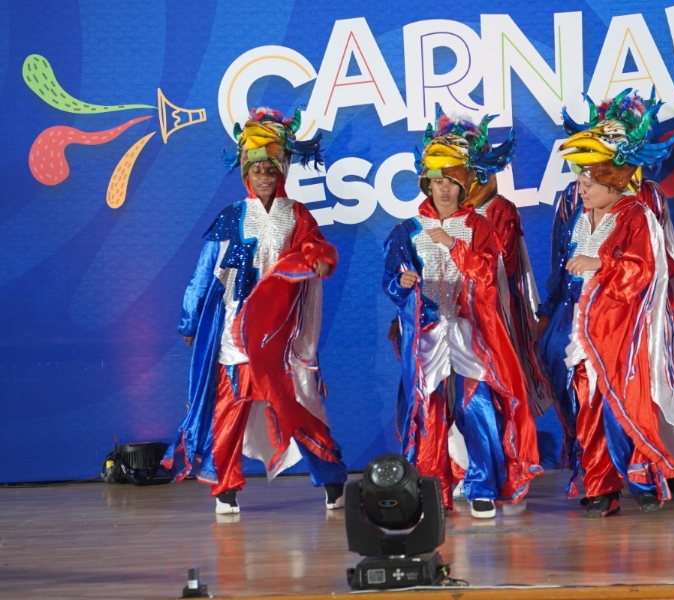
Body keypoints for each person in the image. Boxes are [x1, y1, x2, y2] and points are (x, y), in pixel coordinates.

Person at [539, 91, 674, 498]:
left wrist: (672, 312)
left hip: (636, 312)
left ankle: (659, 467)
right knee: (584, 393)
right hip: (581, 315)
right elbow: (563, 257)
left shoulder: (644, 202)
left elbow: (662, 259)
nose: (584, 181)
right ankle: (597, 479)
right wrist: (551, 308)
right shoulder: (574, 200)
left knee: (647, 389)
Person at [163, 107, 347, 514]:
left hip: (282, 335)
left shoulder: (296, 214)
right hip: (236, 333)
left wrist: (319, 259)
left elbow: (314, 245)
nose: (264, 176)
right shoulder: (231, 217)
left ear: (281, 171)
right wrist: (190, 320)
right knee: (230, 406)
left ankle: (331, 476)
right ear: (246, 173)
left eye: (271, 169)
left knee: (297, 405)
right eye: (256, 170)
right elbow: (203, 273)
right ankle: (224, 484)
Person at [384, 115, 541, 518]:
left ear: (464, 183)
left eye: (452, 181)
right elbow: (388, 282)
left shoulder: (480, 226)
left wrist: (455, 245)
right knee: (429, 411)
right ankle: (430, 488)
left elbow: (490, 274)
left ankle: (482, 485)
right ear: (426, 183)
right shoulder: (407, 230)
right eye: (438, 180)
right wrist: (402, 283)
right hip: (427, 336)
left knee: (478, 407)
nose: (444, 188)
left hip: (472, 333)